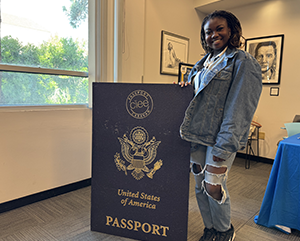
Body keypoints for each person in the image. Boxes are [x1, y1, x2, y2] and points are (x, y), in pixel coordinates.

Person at [179, 10, 262, 241]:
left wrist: (225, 145)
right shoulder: (201, 64)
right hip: (197, 135)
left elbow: (240, 107)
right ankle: (210, 228)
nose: (213, 35)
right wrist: (183, 86)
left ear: (231, 30)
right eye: (208, 32)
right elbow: (194, 100)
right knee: (199, 186)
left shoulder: (242, 61)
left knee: (212, 185)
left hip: (220, 138)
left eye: (219, 29)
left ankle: (224, 230)